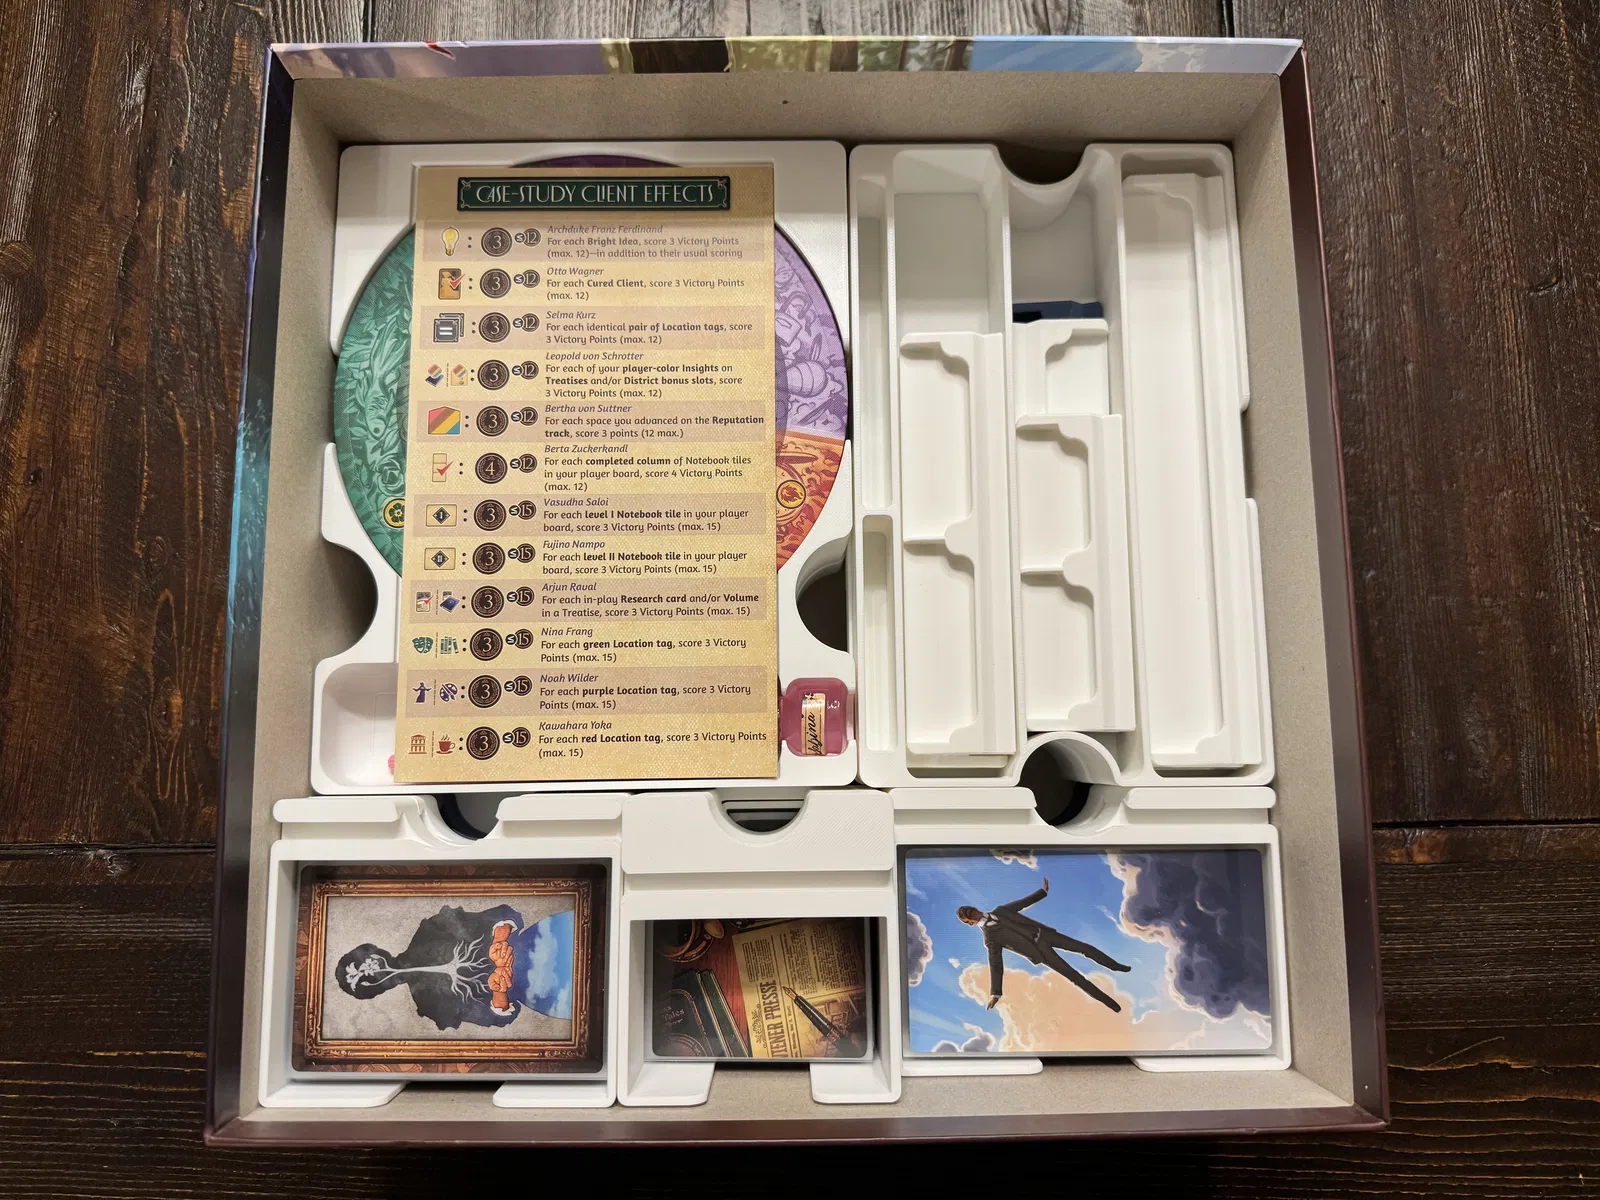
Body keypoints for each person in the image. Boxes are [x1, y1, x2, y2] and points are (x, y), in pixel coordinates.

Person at [957, 878, 1132, 1013]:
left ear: (975, 907)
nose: (976, 914)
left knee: (1085, 948)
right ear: (970, 922)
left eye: (973, 910)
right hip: (1040, 952)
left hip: (1046, 934)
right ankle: (1113, 1005)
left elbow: (1022, 903)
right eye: (972, 916)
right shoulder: (990, 938)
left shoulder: (1000, 911)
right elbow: (996, 964)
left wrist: (1042, 892)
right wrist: (996, 993)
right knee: (1075, 977)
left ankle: (1116, 966)